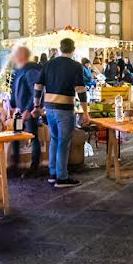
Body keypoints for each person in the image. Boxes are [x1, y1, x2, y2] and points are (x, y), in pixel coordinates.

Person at [35, 38, 90, 188]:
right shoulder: (76, 66)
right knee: (63, 142)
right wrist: (85, 112)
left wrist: (36, 105)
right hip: (64, 109)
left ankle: (53, 174)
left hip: (49, 108)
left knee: (54, 139)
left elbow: (38, 85)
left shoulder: (48, 64)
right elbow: (81, 90)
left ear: (60, 48)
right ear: (73, 49)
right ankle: (62, 177)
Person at [9, 46, 43, 177]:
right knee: (16, 136)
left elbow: (35, 91)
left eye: (16, 54)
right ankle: (15, 164)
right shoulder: (20, 70)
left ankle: (34, 166)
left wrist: (29, 109)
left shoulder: (31, 70)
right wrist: (13, 105)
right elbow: (16, 89)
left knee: (32, 137)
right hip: (20, 112)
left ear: (22, 55)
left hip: (28, 112)